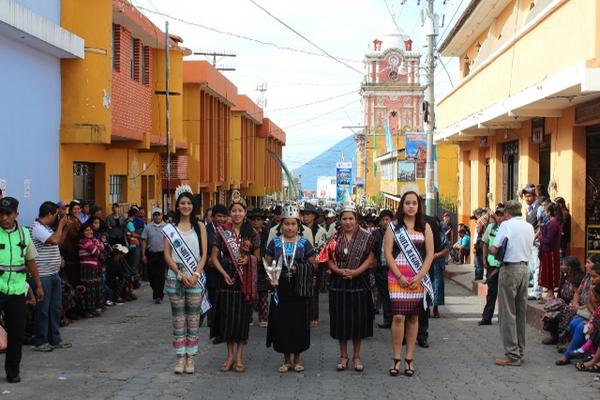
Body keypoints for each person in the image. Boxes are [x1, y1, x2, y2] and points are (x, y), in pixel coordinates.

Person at [319, 193, 375, 373]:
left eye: (351, 218)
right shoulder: (334, 238)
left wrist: (357, 271)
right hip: (339, 283)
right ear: (340, 220)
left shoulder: (367, 237)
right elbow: (327, 258)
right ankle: (343, 356)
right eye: (344, 218)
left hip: (360, 282)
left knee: (358, 321)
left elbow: (372, 258)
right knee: (341, 321)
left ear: (356, 220)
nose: (348, 222)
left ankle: (357, 356)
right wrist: (339, 271)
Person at [384, 189, 434, 377]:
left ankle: (409, 359)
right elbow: (387, 253)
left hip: (416, 278)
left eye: (414, 203)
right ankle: (396, 358)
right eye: (407, 203)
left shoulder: (425, 227)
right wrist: (399, 276)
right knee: (398, 317)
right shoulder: (394, 226)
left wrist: (420, 276)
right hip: (397, 278)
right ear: (402, 205)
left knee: (413, 317)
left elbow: (430, 254)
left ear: (419, 205)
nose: (411, 206)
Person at [210, 191, 260, 373]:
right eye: (234, 211)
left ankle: (239, 356)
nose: (237, 214)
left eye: (240, 210)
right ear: (230, 213)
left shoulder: (252, 233)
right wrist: (223, 273)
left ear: (245, 213)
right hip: (227, 280)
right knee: (228, 319)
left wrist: (249, 261)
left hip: (244, 281)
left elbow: (258, 258)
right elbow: (214, 257)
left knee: (242, 319)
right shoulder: (222, 232)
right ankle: (229, 355)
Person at [264, 202, 317, 373]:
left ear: (298, 225)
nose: (289, 227)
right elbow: (266, 262)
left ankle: (298, 359)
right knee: (282, 323)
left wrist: (299, 268)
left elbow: (314, 264)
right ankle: (286, 360)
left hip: (298, 290)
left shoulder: (304, 243)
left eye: (293, 223)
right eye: (286, 223)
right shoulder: (274, 243)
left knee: (298, 323)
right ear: (281, 224)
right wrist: (270, 277)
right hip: (280, 289)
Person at [163, 186, 208, 374]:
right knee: (179, 320)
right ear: (177, 205)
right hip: (176, 279)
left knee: (193, 320)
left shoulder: (200, 226)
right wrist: (181, 275)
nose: (186, 206)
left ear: (193, 206)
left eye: (189, 203)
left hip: (195, 279)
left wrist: (195, 274)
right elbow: (167, 254)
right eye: (182, 203)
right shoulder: (170, 228)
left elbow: (204, 254)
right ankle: (180, 357)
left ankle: (191, 358)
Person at [0, 197, 44, 383]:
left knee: (16, 333)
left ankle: (12, 372)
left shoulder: (24, 234)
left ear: (16, 214)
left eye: (8, 214)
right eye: (1, 214)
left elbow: (31, 261)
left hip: (17, 291)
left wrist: (38, 285)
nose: (3, 218)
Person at [491, 200, 534, 366]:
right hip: (525, 269)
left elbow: (495, 248)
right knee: (521, 312)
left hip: (509, 269)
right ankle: (520, 351)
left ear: (507, 212)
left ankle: (512, 355)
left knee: (507, 313)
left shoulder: (506, 225)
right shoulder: (529, 226)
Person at [30, 201, 71, 352]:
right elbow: (54, 240)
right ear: (49, 214)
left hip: (53, 274)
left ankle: (55, 339)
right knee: (43, 309)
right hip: (43, 276)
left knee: (55, 308)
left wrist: (65, 229)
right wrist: (61, 225)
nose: (57, 218)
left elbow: (58, 242)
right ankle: (41, 341)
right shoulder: (37, 228)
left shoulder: (47, 228)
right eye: (56, 215)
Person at [301, 203, 327, 327]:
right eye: (304, 214)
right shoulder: (298, 228)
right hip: (302, 262)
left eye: (308, 214)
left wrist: (316, 261)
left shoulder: (321, 230)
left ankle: (314, 316)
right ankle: (303, 315)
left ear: (314, 216)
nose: (305, 217)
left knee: (314, 290)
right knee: (302, 289)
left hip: (317, 263)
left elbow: (323, 247)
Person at [479, 204, 505, 325]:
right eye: (497, 215)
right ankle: (486, 318)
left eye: (501, 215)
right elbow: (484, 244)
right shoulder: (490, 227)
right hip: (491, 264)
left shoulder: (507, 228)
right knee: (491, 293)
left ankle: (502, 318)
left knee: (503, 293)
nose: (499, 217)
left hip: (504, 265)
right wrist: (484, 260)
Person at [205, 204, 228, 330]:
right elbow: (201, 247)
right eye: (219, 216)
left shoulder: (228, 230)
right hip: (211, 268)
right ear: (213, 217)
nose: (221, 219)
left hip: (225, 268)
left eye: (224, 216)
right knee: (212, 294)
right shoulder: (206, 230)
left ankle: (221, 320)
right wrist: (208, 258)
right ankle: (212, 321)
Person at [372, 209, 394, 329]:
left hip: (393, 270)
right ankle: (388, 320)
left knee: (394, 296)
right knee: (384, 296)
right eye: (383, 220)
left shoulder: (398, 233)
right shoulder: (376, 234)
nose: (385, 222)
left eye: (387, 219)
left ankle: (396, 320)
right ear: (380, 222)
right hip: (380, 269)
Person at [248, 208, 270, 327]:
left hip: (263, 266)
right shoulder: (247, 233)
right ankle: (249, 317)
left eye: (259, 219)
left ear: (263, 221)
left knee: (264, 294)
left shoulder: (267, 233)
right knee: (249, 292)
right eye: (254, 219)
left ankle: (263, 318)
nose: (256, 222)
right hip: (250, 266)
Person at [78, 223, 105, 318]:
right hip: (87, 268)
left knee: (96, 288)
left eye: (90, 230)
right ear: (82, 232)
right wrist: (98, 244)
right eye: (86, 230)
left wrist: (98, 244)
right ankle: (88, 310)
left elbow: (102, 246)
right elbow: (96, 251)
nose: (89, 232)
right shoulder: (84, 241)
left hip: (94, 267)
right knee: (89, 290)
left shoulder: (92, 240)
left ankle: (95, 308)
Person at [141, 207, 167, 304]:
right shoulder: (148, 227)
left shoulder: (166, 227)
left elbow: (169, 241)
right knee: (151, 275)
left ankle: (158, 295)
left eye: (158, 214)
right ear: (153, 216)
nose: (157, 216)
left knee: (160, 275)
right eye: (155, 215)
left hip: (162, 253)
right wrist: (143, 255)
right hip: (151, 253)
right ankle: (155, 291)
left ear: (162, 215)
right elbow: (144, 241)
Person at [522, 184, 542, 301]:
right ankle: (534, 288)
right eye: (526, 196)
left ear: (535, 196)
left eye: (529, 196)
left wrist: (534, 237)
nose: (527, 198)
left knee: (537, 267)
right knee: (531, 267)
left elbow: (541, 226)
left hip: (537, 242)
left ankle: (537, 292)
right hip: (530, 241)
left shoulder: (538, 208)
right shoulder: (528, 209)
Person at [539, 203, 562, 301]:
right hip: (547, 251)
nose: (544, 212)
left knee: (550, 273)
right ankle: (549, 294)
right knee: (547, 273)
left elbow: (549, 240)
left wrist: (540, 238)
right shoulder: (551, 222)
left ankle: (551, 294)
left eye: (545, 211)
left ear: (549, 212)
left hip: (551, 252)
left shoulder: (553, 224)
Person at [430, 216, 450, 319]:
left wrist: (436, 255)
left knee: (437, 286)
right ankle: (426, 309)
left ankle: (435, 308)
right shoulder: (426, 234)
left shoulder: (442, 235)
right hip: (427, 264)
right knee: (427, 285)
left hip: (437, 263)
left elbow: (447, 248)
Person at [60, 200, 82, 290]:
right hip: (70, 251)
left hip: (75, 251)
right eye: (74, 209)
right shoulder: (70, 220)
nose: (77, 211)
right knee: (72, 276)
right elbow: (72, 235)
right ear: (71, 210)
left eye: (78, 208)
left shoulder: (76, 219)